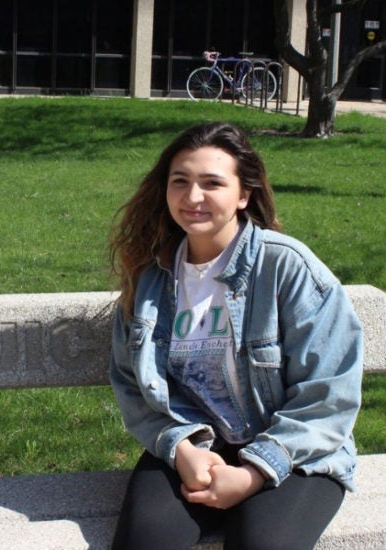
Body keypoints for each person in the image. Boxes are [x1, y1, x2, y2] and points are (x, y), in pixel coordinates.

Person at [108, 122, 363, 550]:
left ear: (243, 194)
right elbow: (130, 384)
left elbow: (329, 393)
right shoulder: (151, 280)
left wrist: (254, 472)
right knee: (144, 540)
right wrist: (182, 449)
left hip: (294, 446)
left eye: (212, 183)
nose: (192, 197)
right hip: (195, 444)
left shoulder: (286, 268)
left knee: (262, 543)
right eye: (181, 182)